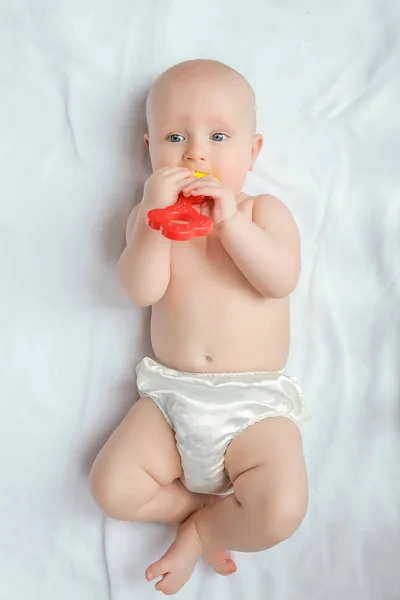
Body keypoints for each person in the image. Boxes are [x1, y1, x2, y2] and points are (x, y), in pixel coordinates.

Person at [90, 59, 308, 595]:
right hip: (170, 399)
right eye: (174, 136)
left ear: (253, 151)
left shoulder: (261, 211)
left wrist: (230, 221)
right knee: (111, 489)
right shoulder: (147, 219)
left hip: (253, 404)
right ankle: (200, 509)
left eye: (217, 135)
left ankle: (203, 531)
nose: (196, 153)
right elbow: (140, 290)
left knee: (281, 510)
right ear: (149, 148)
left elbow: (279, 280)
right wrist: (153, 223)